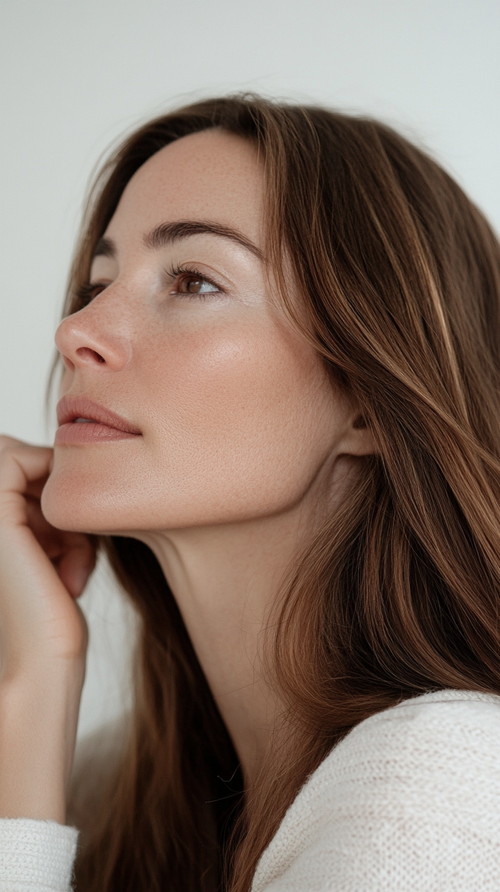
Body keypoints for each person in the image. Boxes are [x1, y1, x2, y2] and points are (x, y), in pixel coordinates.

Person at [1, 94, 500, 892]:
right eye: (98, 282)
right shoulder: (110, 796)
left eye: (194, 280)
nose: (76, 329)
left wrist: (27, 704)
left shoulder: (443, 794)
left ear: (366, 399)